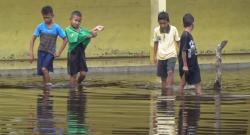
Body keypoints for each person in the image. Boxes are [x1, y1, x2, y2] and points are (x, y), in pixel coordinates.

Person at [56, 10, 104, 87]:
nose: (77, 22)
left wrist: (96, 28)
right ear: (70, 19)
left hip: (81, 54)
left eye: (79, 21)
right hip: (73, 54)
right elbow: (77, 38)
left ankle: (77, 84)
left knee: (83, 74)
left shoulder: (81, 29)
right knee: (73, 75)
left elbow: (88, 32)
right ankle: (72, 93)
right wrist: (91, 35)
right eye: (75, 20)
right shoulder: (68, 30)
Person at [29, 5, 67, 86]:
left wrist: (59, 52)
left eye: (48, 17)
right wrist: (31, 53)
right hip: (41, 51)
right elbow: (32, 39)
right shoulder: (40, 26)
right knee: (42, 72)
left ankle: (49, 88)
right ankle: (45, 91)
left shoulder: (57, 27)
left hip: (50, 52)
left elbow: (65, 39)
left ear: (52, 16)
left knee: (44, 69)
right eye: (44, 17)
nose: (46, 19)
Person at [153, 11, 180, 89]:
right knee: (163, 77)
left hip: (171, 54)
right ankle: (165, 93)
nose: (162, 25)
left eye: (164, 23)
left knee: (170, 72)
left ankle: (169, 92)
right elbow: (156, 43)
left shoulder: (174, 29)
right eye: (160, 23)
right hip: (161, 56)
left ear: (168, 21)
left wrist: (181, 52)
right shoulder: (156, 31)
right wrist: (154, 56)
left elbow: (178, 41)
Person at [178, 13, 202, 95]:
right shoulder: (185, 35)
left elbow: (188, 49)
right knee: (182, 84)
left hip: (193, 64)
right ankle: (182, 102)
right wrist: (185, 65)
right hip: (187, 66)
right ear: (192, 23)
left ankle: (198, 99)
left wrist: (194, 52)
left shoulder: (188, 35)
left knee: (197, 83)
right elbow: (183, 51)